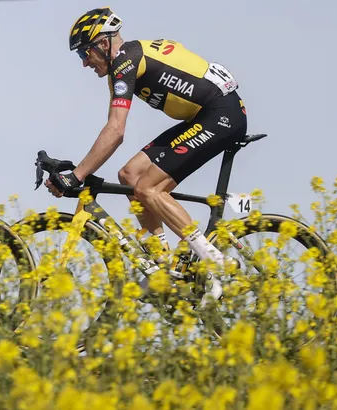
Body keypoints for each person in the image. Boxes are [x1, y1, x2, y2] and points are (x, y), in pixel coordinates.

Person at [46, 7, 248, 303]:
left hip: (221, 114)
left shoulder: (126, 61)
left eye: (84, 53)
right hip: (203, 115)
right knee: (129, 176)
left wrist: (77, 176)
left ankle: (218, 263)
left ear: (103, 44)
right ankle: (164, 266)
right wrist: (79, 172)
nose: (84, 63)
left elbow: (116, 132)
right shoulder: (123, 64)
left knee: (148, 188)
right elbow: (112, 129)